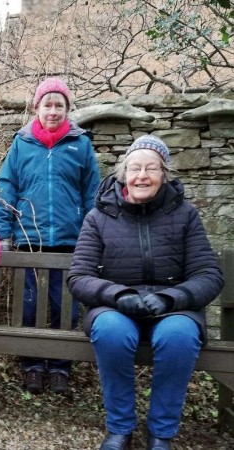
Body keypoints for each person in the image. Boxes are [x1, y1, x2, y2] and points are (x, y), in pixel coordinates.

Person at [67, 135, 224, 450]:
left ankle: (160, 433)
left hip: (173, 309)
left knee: (179, 335)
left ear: (163, 174)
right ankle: (119, 429)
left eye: (151, 168)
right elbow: (79, 276)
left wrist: (171, 298)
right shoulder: (98, 217)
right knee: (110, 330)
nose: (142, 176)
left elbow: (208, 274)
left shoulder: (185, 215)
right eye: (135, 168)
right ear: (123, 173)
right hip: (116, 308)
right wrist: (116, 295)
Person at [0, 77, 100, 394]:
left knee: (64, 306)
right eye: (47, 104)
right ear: (36, 107)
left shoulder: (80, 144)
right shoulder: (22, 143)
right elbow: (7, 187)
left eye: (59, 105)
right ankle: (32, 366)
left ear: (68, 109)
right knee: (29, 306)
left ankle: (60, 369)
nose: (53, 111)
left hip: (70, 242)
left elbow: (92, 194)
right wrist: (3, 232)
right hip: (29, 239)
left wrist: (94, 234)